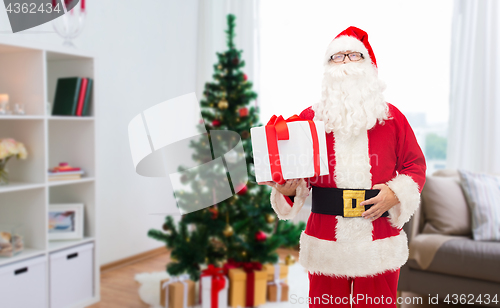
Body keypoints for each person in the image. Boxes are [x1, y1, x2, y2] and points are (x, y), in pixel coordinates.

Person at [259, 26, 426, 307]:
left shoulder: (393, 118)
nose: (346, 62)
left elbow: (415, 166)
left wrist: (395, 193)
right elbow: (295, 176)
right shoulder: (309, 120)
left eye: (353, 55)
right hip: (326, 239)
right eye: (337, 57)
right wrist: (288, 189)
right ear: (327, 68)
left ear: (369, 66)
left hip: (378, 237)